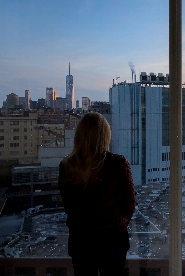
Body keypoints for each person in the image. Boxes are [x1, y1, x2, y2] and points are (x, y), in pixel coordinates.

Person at [58, 112, 135, 276]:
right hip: (112, 239)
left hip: (81, 239)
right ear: (105, 135)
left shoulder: (67, 166)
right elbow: (129, 203)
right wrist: (118, 222)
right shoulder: (118, 164)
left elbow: (69, 205)